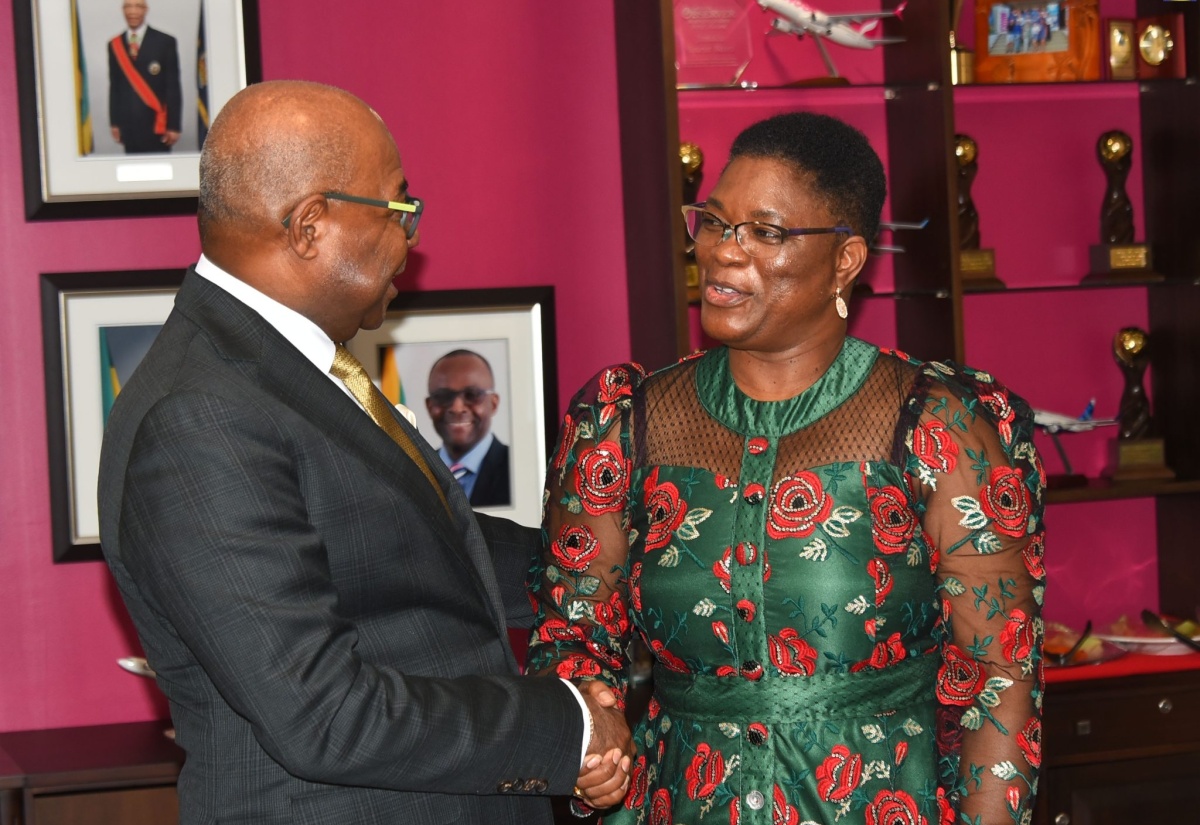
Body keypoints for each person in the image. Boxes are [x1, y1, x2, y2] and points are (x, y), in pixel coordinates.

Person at [97, 79, 632, 824]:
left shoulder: (295, 370)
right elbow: (323, 713)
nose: (411, 238)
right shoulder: (201, 417)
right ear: (312, 225)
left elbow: (424, 553)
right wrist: (565, 725)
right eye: (399, 208)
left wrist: (625, 570)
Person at [526, 111, 1046, 824]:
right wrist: (590, 732)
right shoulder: (624, 425)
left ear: (846, 259)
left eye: (764, 232)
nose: (721, 252)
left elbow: (1000, 674)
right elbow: (572, 631)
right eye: (712, 221)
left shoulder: (937, 426)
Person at [426, 349, 512, 507]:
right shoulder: (416, 472)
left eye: (472, 394)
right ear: (429, 406)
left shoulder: (517, 467)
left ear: (493, 404)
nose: (457, 408)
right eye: (444, 396)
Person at [107, 0, 181, 153]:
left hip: (156, 124)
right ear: (122, 10)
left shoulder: (165, 42)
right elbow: (115, 86)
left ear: (146, 10)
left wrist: (174, 125)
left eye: (138, 6)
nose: (133, 12)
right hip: (128, 125)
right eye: (128, 6)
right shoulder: (114, 44)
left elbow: (173, 86)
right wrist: (115, 123)